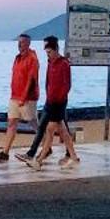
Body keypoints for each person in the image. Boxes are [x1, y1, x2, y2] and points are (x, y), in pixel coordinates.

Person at [24, 35, 80, 170]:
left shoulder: (63, 63)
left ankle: (39, 160)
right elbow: (48, 81)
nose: (48, 55)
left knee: (50, 130)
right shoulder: (51, 63)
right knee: (62, 130)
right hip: (50, 101)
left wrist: (58, 99)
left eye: (49, 52)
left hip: (58, 102)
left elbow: (67, 85)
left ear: (55, 49)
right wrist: (49, 96)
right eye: (46, 52)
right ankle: (73, 157)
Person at [0, 33, 39, 162]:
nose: (19, 44)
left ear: (28, 43)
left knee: (32, 122)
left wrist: (24, 97)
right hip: (14, 95)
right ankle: (5, 152)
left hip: (27, 97)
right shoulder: (17, 58)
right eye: (19, 42)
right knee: (12, 122)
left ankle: (46, 143)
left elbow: (31, 79)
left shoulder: (32, 59)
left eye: (22, 42)